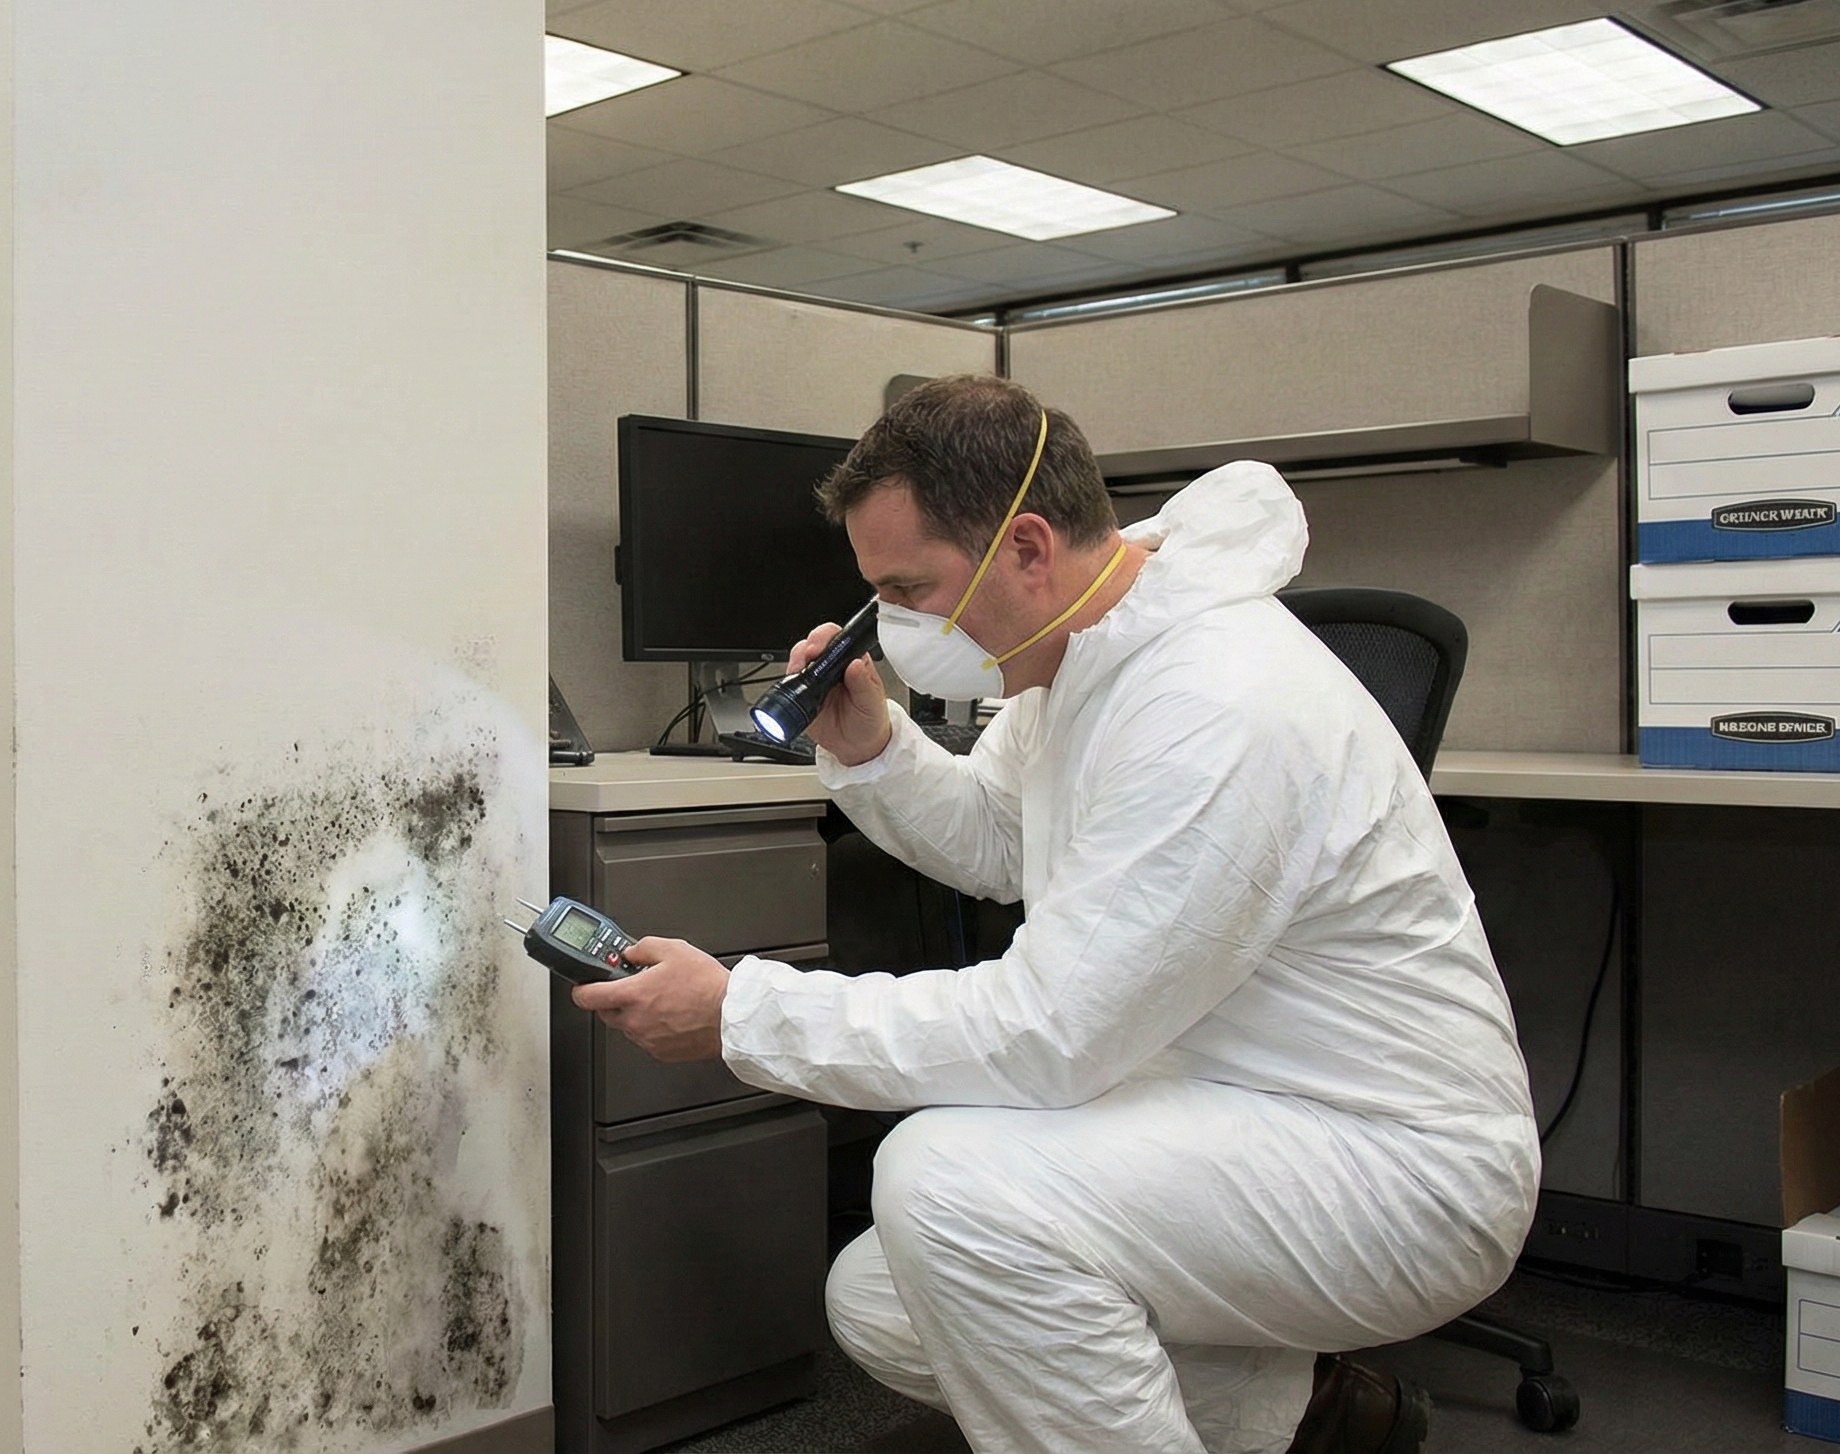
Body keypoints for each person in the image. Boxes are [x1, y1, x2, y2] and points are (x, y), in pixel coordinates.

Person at [572, 375, 1537, 1454]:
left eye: (911, 590)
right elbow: (997, 838)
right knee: (887, 1293)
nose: (892, 631)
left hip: (1389, 1167)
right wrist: (872, 746)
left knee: (946, 1193)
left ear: (1026, 549)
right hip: (1229, 1105)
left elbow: (1050, 1035)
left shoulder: (1209, 701)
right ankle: (1303, 1424)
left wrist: (743, 1014)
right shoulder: (1086, 652)